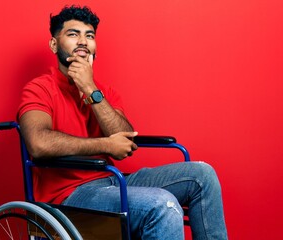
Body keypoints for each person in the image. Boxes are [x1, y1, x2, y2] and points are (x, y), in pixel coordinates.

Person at [17, 5, 228, 240]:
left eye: (89, 36)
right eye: (73, 34)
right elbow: (38, 143)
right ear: (54, 45)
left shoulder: (103, 92)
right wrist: (105, 145)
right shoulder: (39, 89)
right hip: (70, 195)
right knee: (163, 204)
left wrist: (90, 89)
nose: (83, 42)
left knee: (202, 175)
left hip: (112, 180)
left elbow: (125, 141)